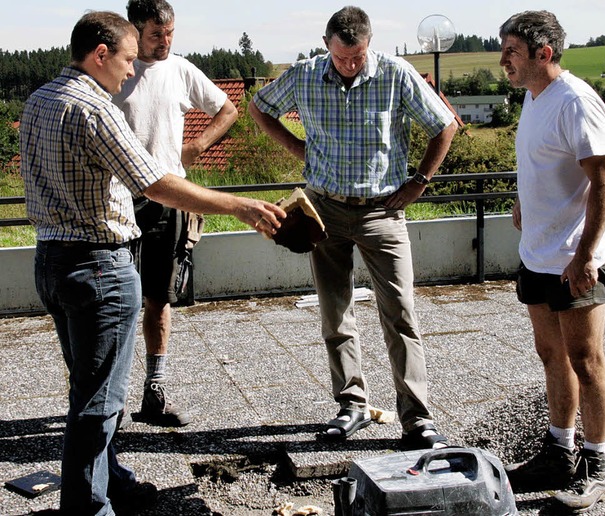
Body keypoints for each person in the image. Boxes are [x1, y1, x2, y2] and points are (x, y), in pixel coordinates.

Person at [20, 11, 284, 515]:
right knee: (100, 404)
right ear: (101, 54)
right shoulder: (95, 109)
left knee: (87, 388)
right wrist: (242, 206)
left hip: (51, 261)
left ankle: (113, 480)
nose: (128, 71)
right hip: (98, 267)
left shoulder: (38, 100)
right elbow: (154, 181)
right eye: (124, 58)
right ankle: (87, 508)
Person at [249, 6, 457, 448]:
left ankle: (417, 418)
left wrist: (418, 182)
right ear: (327, 45)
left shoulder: (397, 74)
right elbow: (259, 107)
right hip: (323, 210)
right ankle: (351, 405)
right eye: (342, 57)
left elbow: (444, 126)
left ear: (369, 44)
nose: (350, 64)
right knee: (334, 311)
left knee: (400, 312)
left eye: (358, 56)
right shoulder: (304, 75)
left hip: (382, 210)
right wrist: (297, 148)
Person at [498, 10, 605, 513]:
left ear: (543, 54)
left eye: (512, 51)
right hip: (539, 254)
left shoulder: (575, 101)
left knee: (586, 361)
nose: (503, 59)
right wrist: (527, 199)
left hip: (575, 256)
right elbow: (550, 163)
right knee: (552, 356)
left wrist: (586, 255)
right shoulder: (533, 96)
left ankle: (597, 463)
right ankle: (558, 451)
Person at [112, 0, 238, 427]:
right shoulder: (114, 71)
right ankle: (107, 398)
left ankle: (154, 392)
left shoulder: (181, 70)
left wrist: (199, 146)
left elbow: (228, 109)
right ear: (135, 30)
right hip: (118, 204)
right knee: (117, 302)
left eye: (170, 34)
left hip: (170, 203)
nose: (164, 42)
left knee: (159, 298)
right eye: (155, 35)